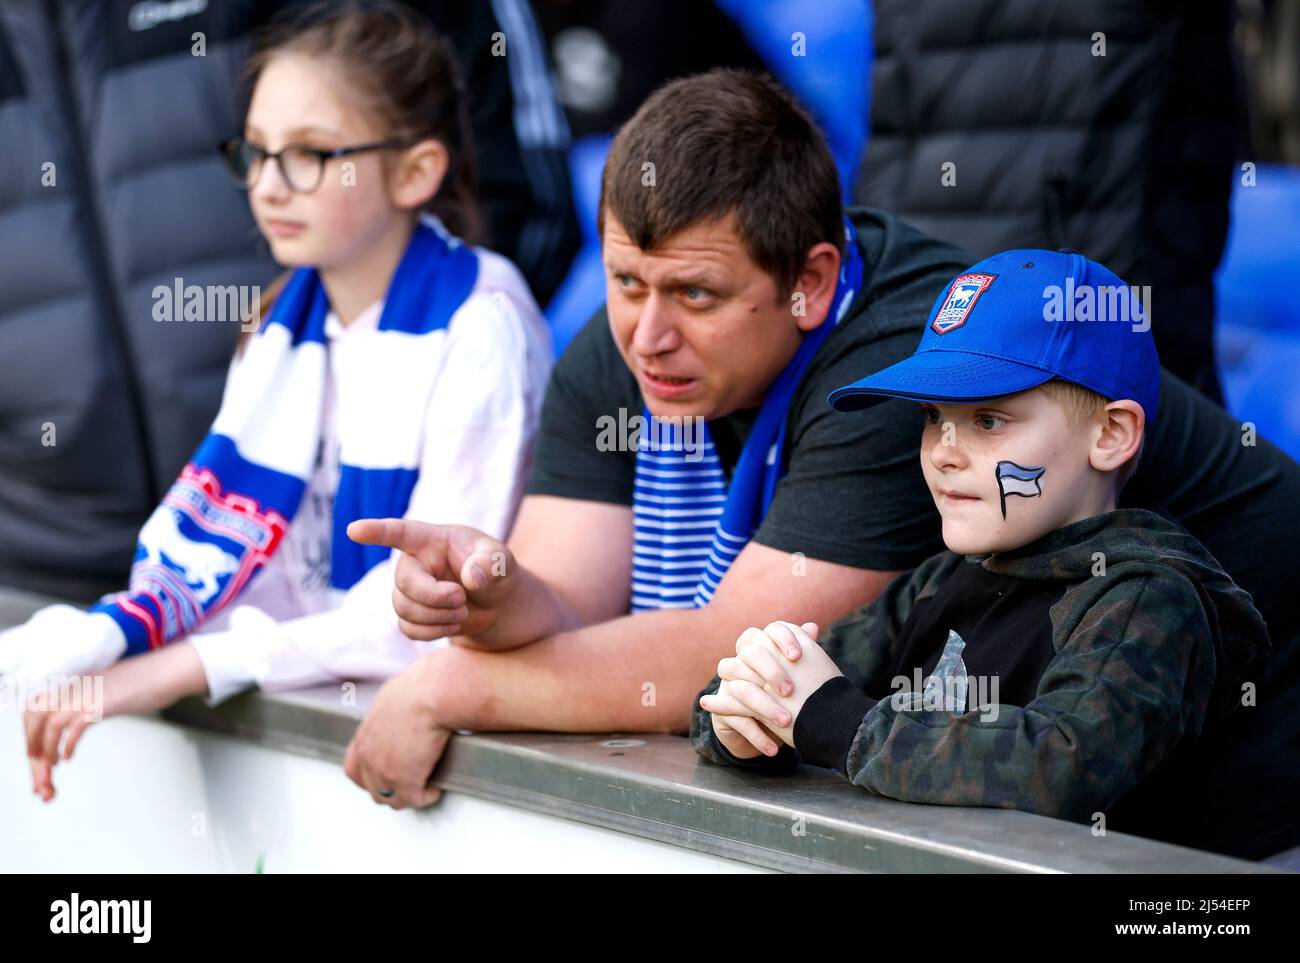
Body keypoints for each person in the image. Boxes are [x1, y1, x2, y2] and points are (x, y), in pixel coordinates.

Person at [342, 70, 1300, 861]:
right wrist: (491, 595)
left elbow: (1048, 765)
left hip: (1240, 814)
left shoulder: (911, 357)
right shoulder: (941, 543)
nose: (647, 333)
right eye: (625, 280)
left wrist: (448, 685)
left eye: (696, 292)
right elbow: (706, 664)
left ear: (812, 284)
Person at [10, 1, 552, 801]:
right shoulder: (276, 324)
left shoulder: (486, 323)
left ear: (415, 170)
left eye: (308, 154)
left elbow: (436, 615)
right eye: (255, 153)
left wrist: (175, 667)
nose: (267, 185)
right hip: (311, 752)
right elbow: (254, 580)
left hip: (440, 774)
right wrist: (112, 633)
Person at [691, 250, 1269, 858]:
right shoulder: (937, 582)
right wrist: (745, 720)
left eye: (989, 420)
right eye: (933, 417)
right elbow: (767, 700)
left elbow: (1059, 767)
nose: (944, 452)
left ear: (1110, 435)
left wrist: (838, 723)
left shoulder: (1145, 598)